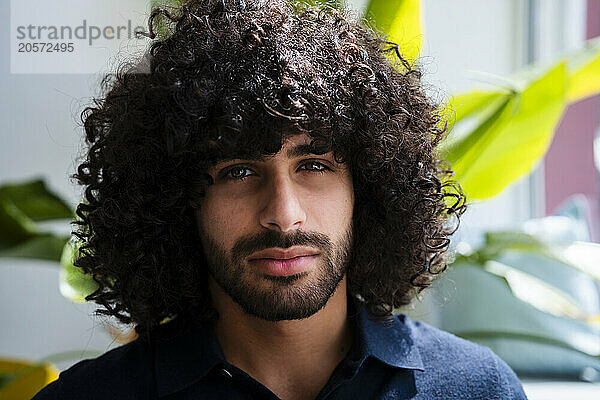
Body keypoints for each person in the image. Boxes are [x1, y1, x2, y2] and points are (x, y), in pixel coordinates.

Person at [33, 0, 527, 398]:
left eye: (314, 166)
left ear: (369, 189)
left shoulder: (477, 389)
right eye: (239, 171)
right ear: (176, 199)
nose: (284, 215)